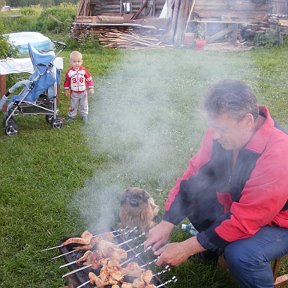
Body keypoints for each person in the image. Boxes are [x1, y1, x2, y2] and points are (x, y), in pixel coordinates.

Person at [144, 79, 288, 288]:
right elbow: (193, 177)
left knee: (240, 255)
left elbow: (245, 219)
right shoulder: (219, 135)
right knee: (199, 198)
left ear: (248, 121)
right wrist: (168, 222)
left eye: (222, 128)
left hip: (280, 221)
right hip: (243, 205)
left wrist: (187, 247)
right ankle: (211, 247)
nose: (215, 135)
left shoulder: (279, 153)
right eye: (213, 126)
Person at [64, 51, 94, 123]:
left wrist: (91, 88)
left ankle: (84, 115)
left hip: (83, 92)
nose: (77, 63)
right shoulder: (69, 72)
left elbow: (89, 79)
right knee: (73, 105)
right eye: (74, 61)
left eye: (78, 61)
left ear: (82, 61)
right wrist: (66, 90)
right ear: (70, 62)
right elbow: (67, 81)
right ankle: (71, 116)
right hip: (74, 92)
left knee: (84, 104)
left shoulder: (84, 71)